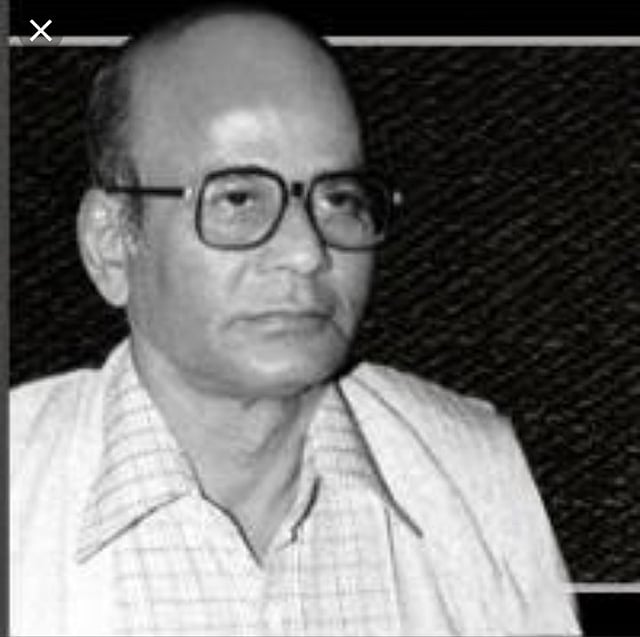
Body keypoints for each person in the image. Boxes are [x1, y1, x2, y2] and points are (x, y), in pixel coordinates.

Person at [10, 5, 581, 636]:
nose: (308, 250)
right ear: (113, 243)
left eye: (338, 198)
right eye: (238, 198)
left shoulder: (475, 474)